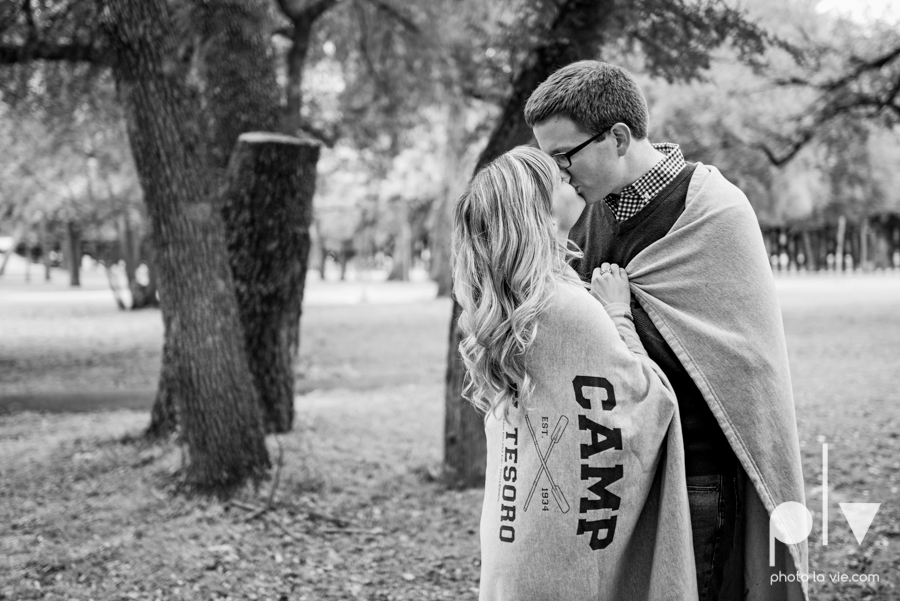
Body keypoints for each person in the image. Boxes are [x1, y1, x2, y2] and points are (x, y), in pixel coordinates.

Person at [525, 60, 808, 601]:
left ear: (619, 136)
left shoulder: (713, 210)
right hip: (615, 472)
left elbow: (735, 362)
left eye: (565, 155)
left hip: (697, 474)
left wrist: (620, 314)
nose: (559, 172)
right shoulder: (589, 219)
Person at [453, 145, 698, 600]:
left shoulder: (519, 305)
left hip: (513, 531)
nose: (568, 173)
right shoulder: (567, 307)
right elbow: (648, 400)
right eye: (556, 176)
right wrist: (619, 312)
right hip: (556, 544)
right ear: (539, 210)